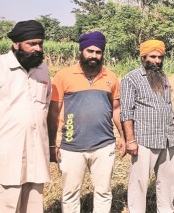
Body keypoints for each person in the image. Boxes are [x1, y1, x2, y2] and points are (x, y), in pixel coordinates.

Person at [47, 31, 125, 212]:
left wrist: (123, 136)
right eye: (90, 51)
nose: (94, 56)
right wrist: (52, 143)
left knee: (104, 191)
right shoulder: (63, 76)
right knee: (70, 193)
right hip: (71, 146)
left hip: (104, 145)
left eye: (98, 52)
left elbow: (116, 109)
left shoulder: (111, 77)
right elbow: (53, 112)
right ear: (81, 51)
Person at [121, 40, 174, 212]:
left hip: (169, 138)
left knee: (167, 180)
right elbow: (126, 112)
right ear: (143, 57)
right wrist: (130, 140)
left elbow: (168, 105)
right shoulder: (132, 78)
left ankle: (166, 209)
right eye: (153, 56)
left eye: (160, 57)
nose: (157, 60)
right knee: (139, 182)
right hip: (145, 139)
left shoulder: (163, 76)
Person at [0, 20, 51, 212]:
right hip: (7, 157)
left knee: (34, 207)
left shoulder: (42, 69)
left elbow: (46, 106)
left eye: (40, 43)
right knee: (7, 206)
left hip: (37, 155)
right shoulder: (1, 66)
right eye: (32, 44)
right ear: (16, 44)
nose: (37, 48)